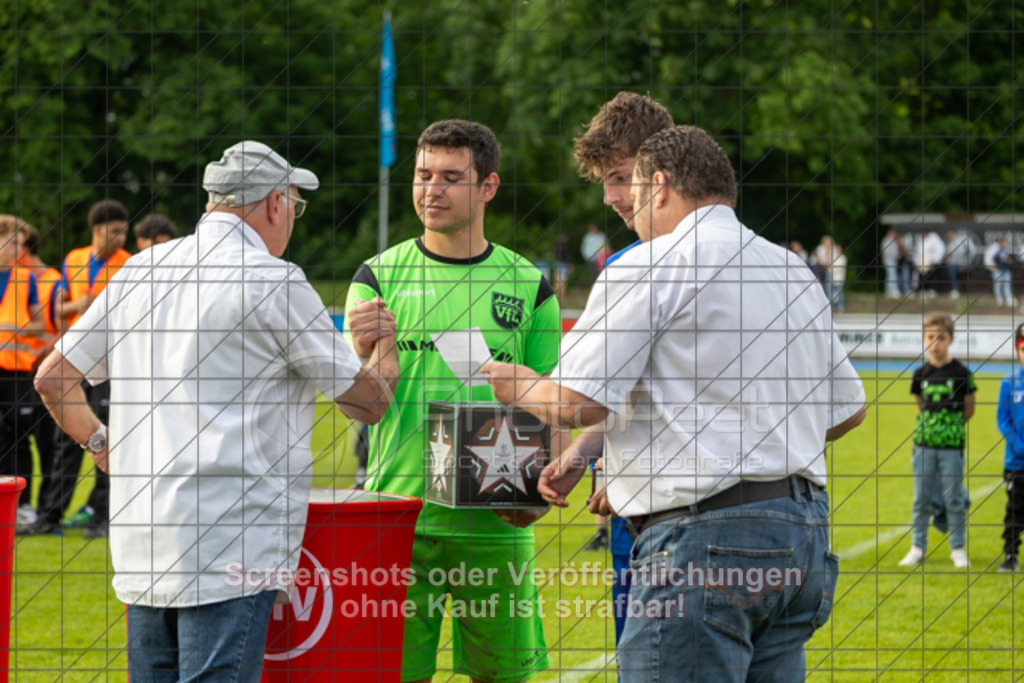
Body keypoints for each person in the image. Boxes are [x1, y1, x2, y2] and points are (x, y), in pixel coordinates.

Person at [482, 124, 866, 681]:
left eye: (632, 189)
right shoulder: (790, 269)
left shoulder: (647, 265)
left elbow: (575, 401)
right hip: (801, 535)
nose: (627, 206)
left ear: (658, 186)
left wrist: (516, 384)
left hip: (702, 541)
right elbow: (846, 411)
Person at [34, 139, 398, 680]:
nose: (292, 219)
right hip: (231, 538)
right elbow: (367, 404)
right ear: (275, 204)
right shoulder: (275, 280)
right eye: (294, 206)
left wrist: (101, 443)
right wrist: (382, 347)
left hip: (145, 536)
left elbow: (53, 378)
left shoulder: (139, 270)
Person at [344, 119, 560, 683]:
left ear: (487, 186)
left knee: (504, 677)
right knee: (393, 675)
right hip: (397, 519)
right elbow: (357, 408)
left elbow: (551, 404)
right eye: (422, 175)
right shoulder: (377, 278)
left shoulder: (529, 285)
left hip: (494, 523)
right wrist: (367, 352)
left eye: (450, 177)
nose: (431, 190)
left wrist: (546, 485)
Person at [569, 90, 674, 641]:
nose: (611, 197)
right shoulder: (628, 263)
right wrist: (585, 452)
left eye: (621, 176)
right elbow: (624, 397)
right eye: (603, 181)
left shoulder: (654, 269)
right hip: (634, 518)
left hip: (681, 521)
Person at [46, 199, 132, 538]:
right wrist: (76, 306)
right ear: (97, 230)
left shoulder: (129, 264)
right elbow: (61, 307)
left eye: (124, 231)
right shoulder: (74, 259)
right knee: (66, 439)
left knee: (108, 435)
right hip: (73, 360)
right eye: (115, 231)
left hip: (111, 362)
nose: (121, 238)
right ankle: (51, 515)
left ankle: (102, 516)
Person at [898, 312, 975, 569]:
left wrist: (949, 429)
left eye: (941, 337)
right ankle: (918, 547)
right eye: (930, 337)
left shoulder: (962, 372)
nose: (935, 343)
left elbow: (969, 409)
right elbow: (920, 405)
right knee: (921, 499)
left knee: (954, 498)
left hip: (951, 447)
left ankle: (958, 548)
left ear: (951, 339)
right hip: (924, 446)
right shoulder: (920, 373)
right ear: (924, 339)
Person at [9, 220, 63, 535]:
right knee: (18, 442)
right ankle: (25, 507)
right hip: (18, 370)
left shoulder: (51, 280)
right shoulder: (15, 279)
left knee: (46, 444)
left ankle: (45, 510)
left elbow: (57, 323)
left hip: (44, 369)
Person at [0, 216, 45, 529]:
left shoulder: (26, 280)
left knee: (19, 439)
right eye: (14, 242)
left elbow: (41, 323)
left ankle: (24, 506)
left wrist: (21, 328)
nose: (19, 248)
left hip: (17, 373)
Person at [995, 323, 1024, 572]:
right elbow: (1002, 418)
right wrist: (1018, 445)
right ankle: (1010, 556)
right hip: (1016, 462)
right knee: (1014, 511)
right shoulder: (1009, 382)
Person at [881, 229, 901, 298]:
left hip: (893, 260)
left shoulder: (892, 241)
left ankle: (888, 291)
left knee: (890, 276)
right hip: (889, 261)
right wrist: (895, 256)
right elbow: (887, 252)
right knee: (892, 276)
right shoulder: (886, 241)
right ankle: (893, 291)